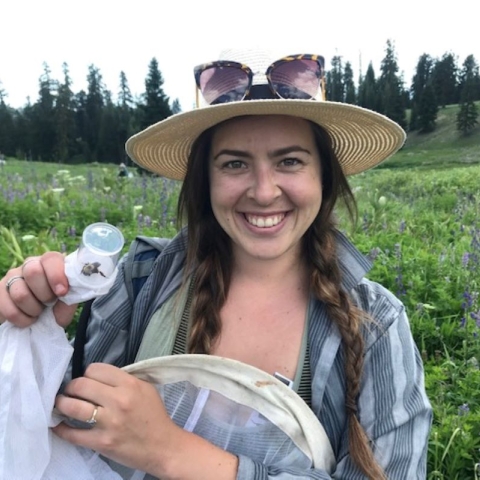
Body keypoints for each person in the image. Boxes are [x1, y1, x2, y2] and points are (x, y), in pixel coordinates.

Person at [0, 49, 432, 479]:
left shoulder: (375, 322)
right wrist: (35, 331)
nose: (264, 192)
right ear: (205, 179)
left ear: (325, 176)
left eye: (290, 161)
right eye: (235, 164)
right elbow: (57, 425)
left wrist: (172, 452)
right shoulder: (143, 278)